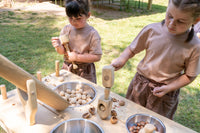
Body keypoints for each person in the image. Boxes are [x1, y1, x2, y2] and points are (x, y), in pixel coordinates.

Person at [111, 0, 200, 120]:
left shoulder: (194, 46)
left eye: (180, 21)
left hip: (164, 93)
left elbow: (190, 75)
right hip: (140, 85)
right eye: (170, 16)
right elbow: (132, 49)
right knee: (130, 118)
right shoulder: (151, 30)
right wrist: (122, 59)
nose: (171, 24)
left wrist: (169, 87)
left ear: (196, 20)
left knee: (153, 125)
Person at [51, 0, 102, 83]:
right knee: (67, 92)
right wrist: (58, 46)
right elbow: (62, 52)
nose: (74, 21)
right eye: (70, 18)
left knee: (85, 93)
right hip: (68, 68)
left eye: (78, 18)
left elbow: (97, 57)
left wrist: (77, 57)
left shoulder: (93, 34)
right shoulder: (67, 29)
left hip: (85, 71)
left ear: (88, 15)